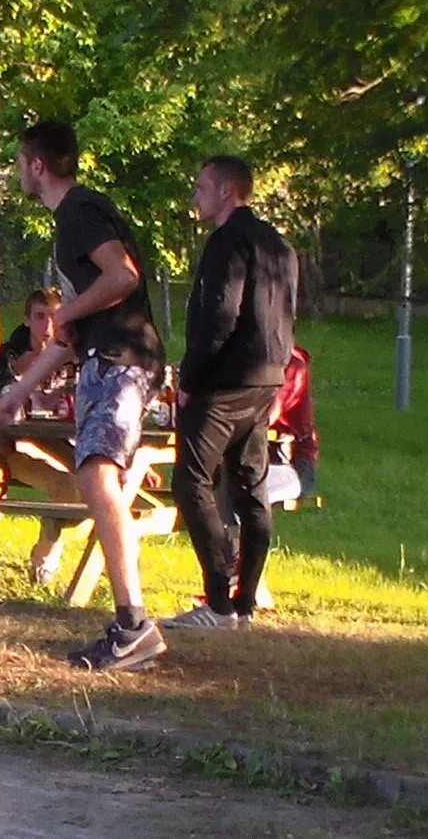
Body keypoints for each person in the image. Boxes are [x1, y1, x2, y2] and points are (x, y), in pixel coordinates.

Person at [0, 120, 169, 673]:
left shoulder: (79, 210)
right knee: (95, 474)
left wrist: (67, 310)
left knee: (96, 473)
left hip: (123, 358)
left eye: (19, 162)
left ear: (37, 165)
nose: (18, 172)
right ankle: (130, 623)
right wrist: (17, 392)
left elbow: (123, 276)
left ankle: (133, 625)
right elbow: (68, 334)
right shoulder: (71, 219)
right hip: (102, 357)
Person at [164, 155, 298, 631]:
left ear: (225, 190)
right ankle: (245, 603)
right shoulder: (279, 245)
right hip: (267, 377)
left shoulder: (227, 242)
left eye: (201, 188)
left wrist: (189, 377)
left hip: (223, 380)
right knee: (249, 486)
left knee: (191, 482)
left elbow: (219, 314)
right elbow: (287, 313)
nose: (195, 197)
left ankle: (219, 601)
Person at [0, 288, 64, 413]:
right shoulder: (11, 355)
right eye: (40, 317)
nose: (48, 326)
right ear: (27, 320)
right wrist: (15, 372)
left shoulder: (71, 354)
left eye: (54, 317)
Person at [264, 344, 317, 501]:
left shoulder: (292, 364)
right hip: (251, 460)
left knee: (239, 488)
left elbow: (267, 416)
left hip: (291, 465)